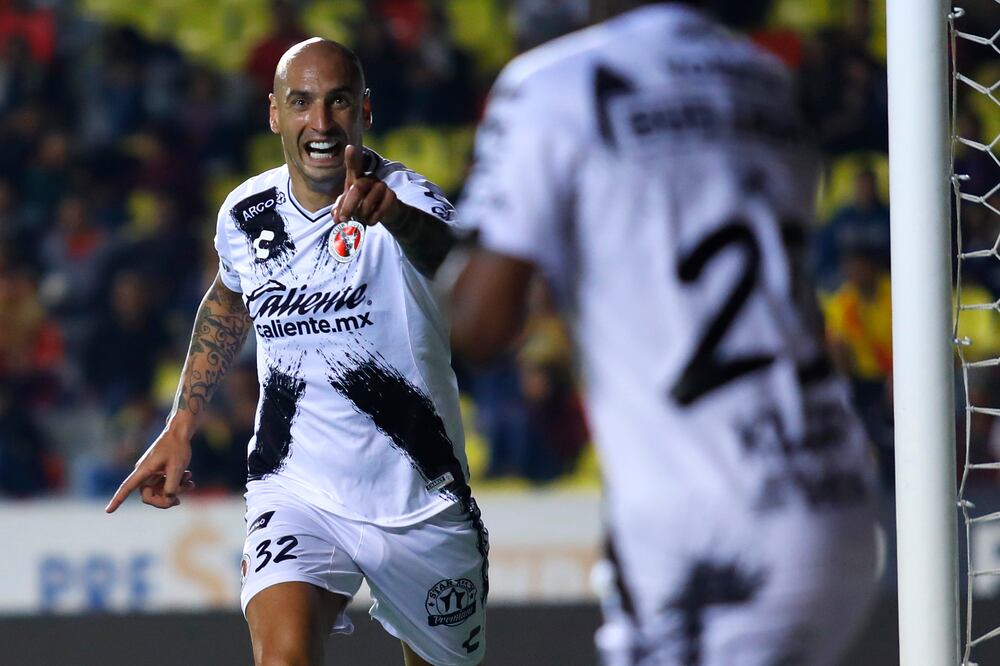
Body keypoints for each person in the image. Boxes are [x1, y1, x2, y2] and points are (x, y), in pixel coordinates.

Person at [450, 2, 879, 664]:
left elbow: (479, 328)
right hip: (833, 490)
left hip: (711, 527)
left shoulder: (555, 84)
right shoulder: (763, 78)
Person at [106, 38, 487, 666]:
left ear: (366, 111)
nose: (321, 123)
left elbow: (458, 267)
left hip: (420, 501)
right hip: (297, 490)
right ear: (274, 114)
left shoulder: (408, 199)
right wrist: (180, 424)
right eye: (301, 102)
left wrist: (394, 218)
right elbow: (228, 302)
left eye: (338, 102)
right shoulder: (246, 214)